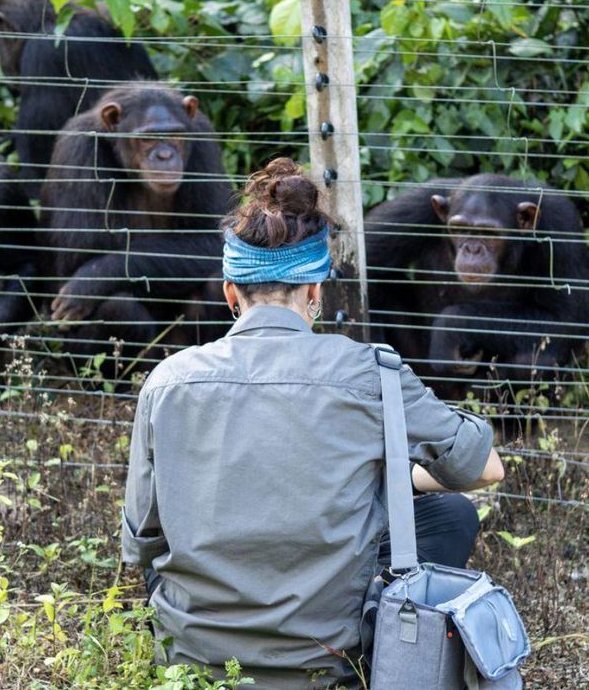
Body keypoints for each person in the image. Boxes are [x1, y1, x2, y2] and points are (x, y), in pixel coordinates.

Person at [120, 157, 505, 689]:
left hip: (192, 662)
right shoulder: (373, 372)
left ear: (231, 292)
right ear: (317, 293)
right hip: (330, 665)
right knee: (452, 515)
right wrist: (386, 476)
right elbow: (486, 468)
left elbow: (139, 543)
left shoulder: (167, 381)